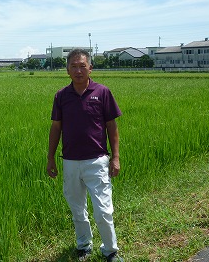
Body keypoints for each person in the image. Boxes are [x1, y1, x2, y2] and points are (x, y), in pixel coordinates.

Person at [47, 49, 123, 262]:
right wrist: (50, 157)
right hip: (70, 162)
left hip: (97, 160)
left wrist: (115, 158)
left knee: (103, 210)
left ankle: (110, 251)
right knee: (77, 209)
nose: (78, 70)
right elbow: (56, 128)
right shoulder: (61, 96)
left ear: (90, 68)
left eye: (82, 66)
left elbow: (112, 126)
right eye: (74, 66)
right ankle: (84, 246)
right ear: (67, 70)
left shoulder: (102, 92)